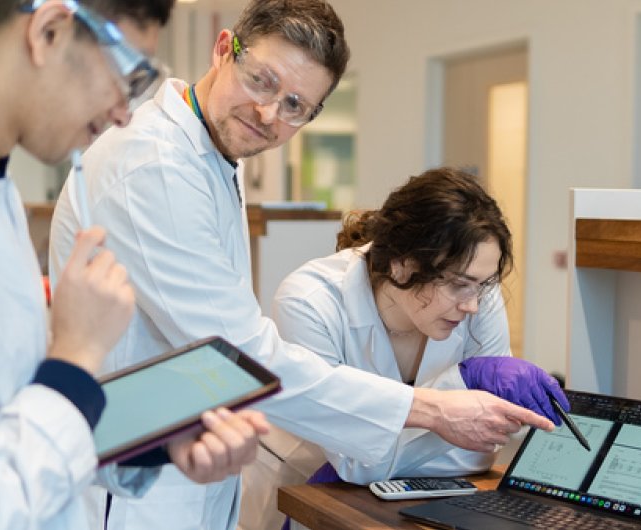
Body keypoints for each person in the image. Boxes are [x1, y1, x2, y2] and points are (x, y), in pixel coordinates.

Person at [48, 1, 558, 528]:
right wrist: (436, 409)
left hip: (180, 458)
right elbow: (239, 356)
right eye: (261, 81)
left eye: (296, 105)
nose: (270, 114)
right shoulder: (156, 167)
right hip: (130, 483)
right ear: (225, 49)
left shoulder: (212, 153)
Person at [0, 1, 267, 528]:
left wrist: (148, 437)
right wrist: (75, 356)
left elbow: (0, 416)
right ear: (49, 30)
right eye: (127, 74)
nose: (123, 113)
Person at [242, 167, 570, 529]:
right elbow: (354, 465)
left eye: (483, 284)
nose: (473, 305)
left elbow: (482, 453)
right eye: (460, 284)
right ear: (401, 267)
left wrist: (388, 438)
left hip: (414, 505)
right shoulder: (311, 301)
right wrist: (460, 384)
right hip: (301, 490)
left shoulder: (478, 297)